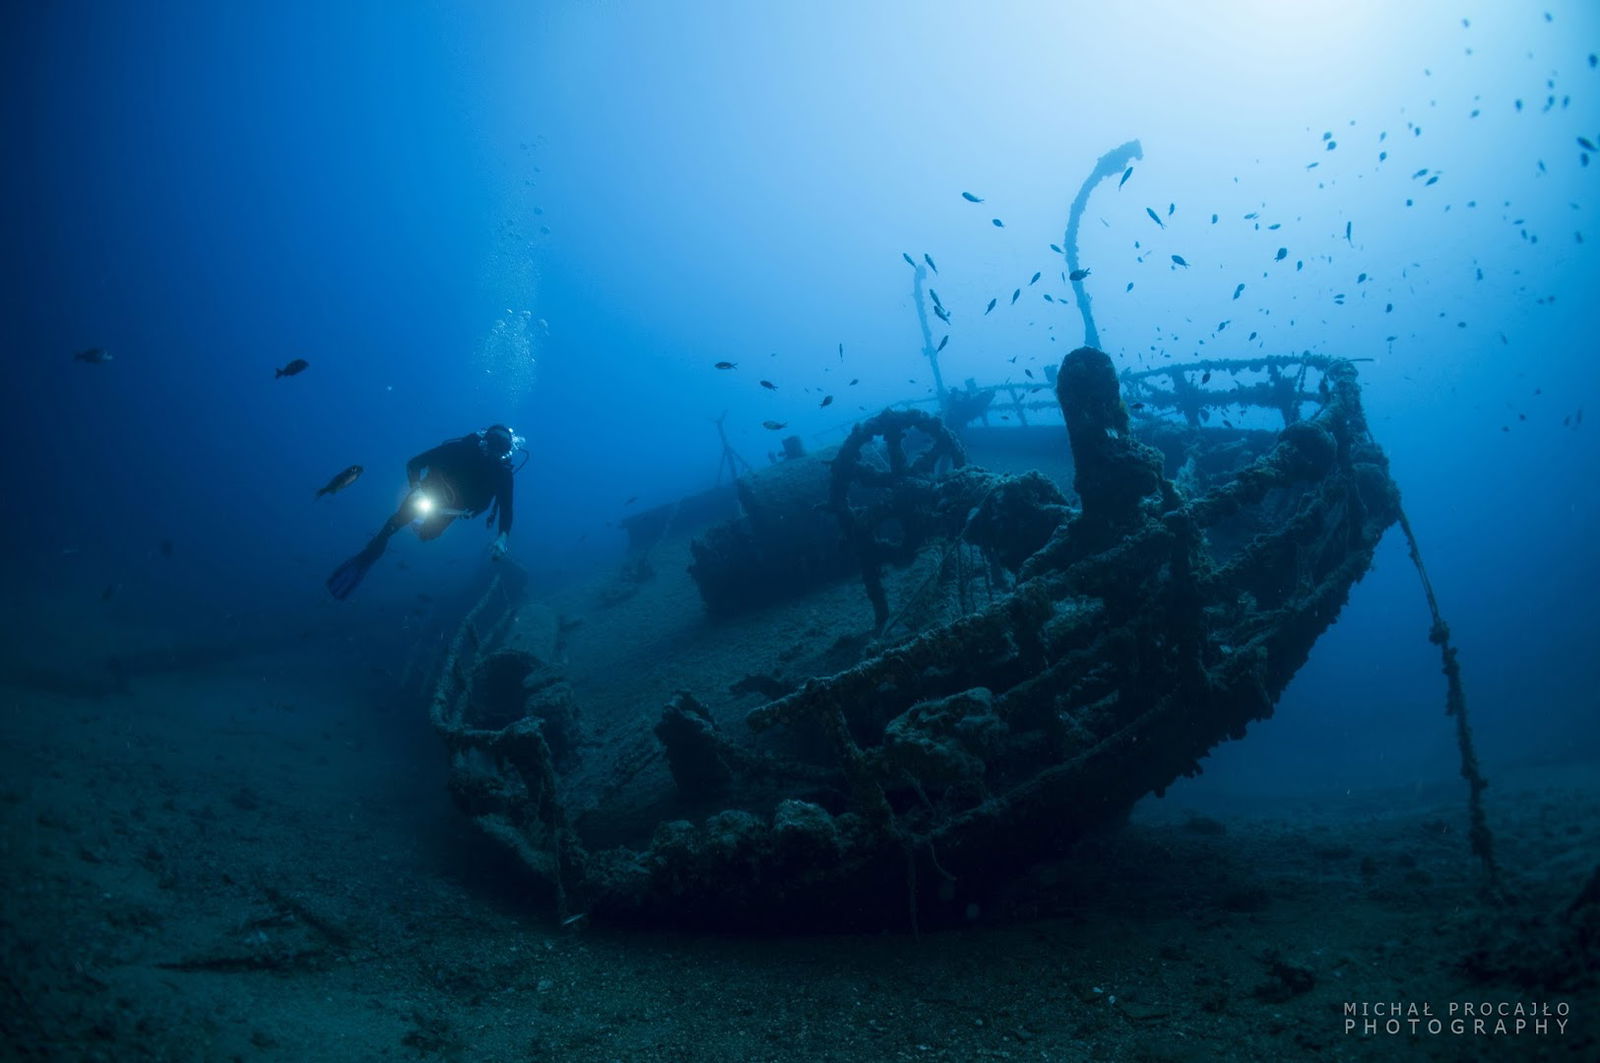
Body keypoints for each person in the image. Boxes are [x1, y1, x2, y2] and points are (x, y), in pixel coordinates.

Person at [325, 424, 524, 600]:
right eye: (493, 440)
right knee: (394, 525)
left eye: (502, 445)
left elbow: (506, 507)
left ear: (508, 451)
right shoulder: (459, 449)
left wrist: (502, 537)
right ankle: (369, 554)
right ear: (484, 439)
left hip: (452, 511)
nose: (495, 448)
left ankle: (418, 530)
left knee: (427, 536)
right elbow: (414, 463)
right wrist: (417, 487)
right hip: (427, 494)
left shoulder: (503, 475)